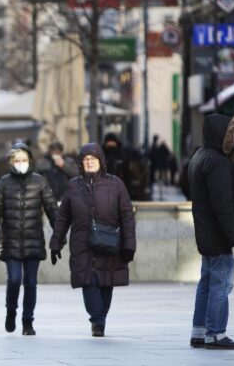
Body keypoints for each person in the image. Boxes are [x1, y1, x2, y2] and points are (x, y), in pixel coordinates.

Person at [48, 142, 136, 337]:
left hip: (109, 243)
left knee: (106, 282)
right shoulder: (73, 186)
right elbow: (63, 218)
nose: (88, 162)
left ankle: (100, 317)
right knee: (88, 282)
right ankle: (97, 320)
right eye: (85, 159)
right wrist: (56, 244)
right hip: (82, 244)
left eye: (92, 159)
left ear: (100, 161)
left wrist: (129, 245)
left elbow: (127, 216)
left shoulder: (115, 184)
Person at [187, 114, 234, 350]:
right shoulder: (217, 162)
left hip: (208, 236)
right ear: (220, 134)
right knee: (221, 284)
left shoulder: (199, 157)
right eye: (232, 132)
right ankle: (215, 333)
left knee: (206, 282)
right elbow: (224, 206)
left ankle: (200, 331)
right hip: (220, 238)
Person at [0, 143, 57, 336]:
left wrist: (58, 236)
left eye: (24, 160)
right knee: (14, 279)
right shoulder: (3, 183)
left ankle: (28, 321)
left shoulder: (40, 181)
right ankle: (11, 311)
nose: (21, 163)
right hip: (11, 242)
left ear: (30, 161)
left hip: (34, 240)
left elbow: (52, 209)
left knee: (31, 283)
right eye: (17, 160)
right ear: (11, 162)